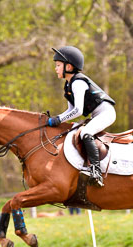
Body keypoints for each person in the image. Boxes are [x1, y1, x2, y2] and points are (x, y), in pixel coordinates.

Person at [47, 46, 116, 187]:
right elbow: (70, 110)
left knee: (85, 133)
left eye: (58, 65)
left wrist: (59, 119)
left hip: (106, 113)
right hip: (97, 113)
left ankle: (95, 171)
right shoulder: (68, 85)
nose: (56, 69)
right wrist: (57, 118)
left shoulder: (78, 82)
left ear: (69, 66)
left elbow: (78, 110)